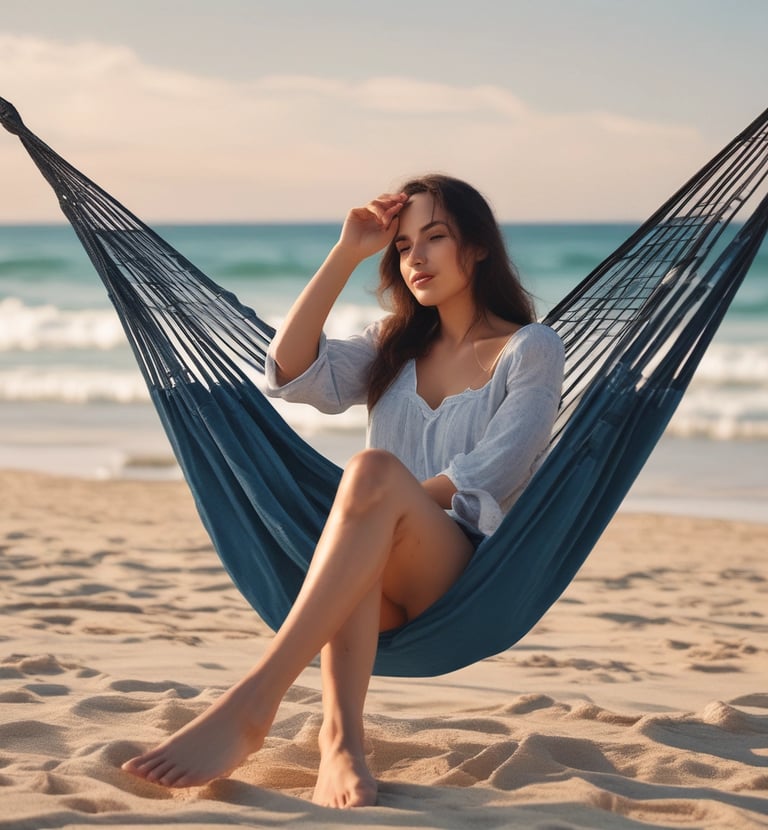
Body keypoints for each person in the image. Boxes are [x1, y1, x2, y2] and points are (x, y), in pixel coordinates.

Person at [121, 175, 565, 808]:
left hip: (459, 572)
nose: (416, 257)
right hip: (370, 568)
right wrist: (346, 251)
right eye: (404, 245)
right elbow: (291, 374)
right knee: (368, 495)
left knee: (371, 472)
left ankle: (255, 701)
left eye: (435, 237)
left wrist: (387, 504)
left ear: (479, 247)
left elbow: (500, 470)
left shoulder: (530, 349)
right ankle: (340, 744)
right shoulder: (395, 345)